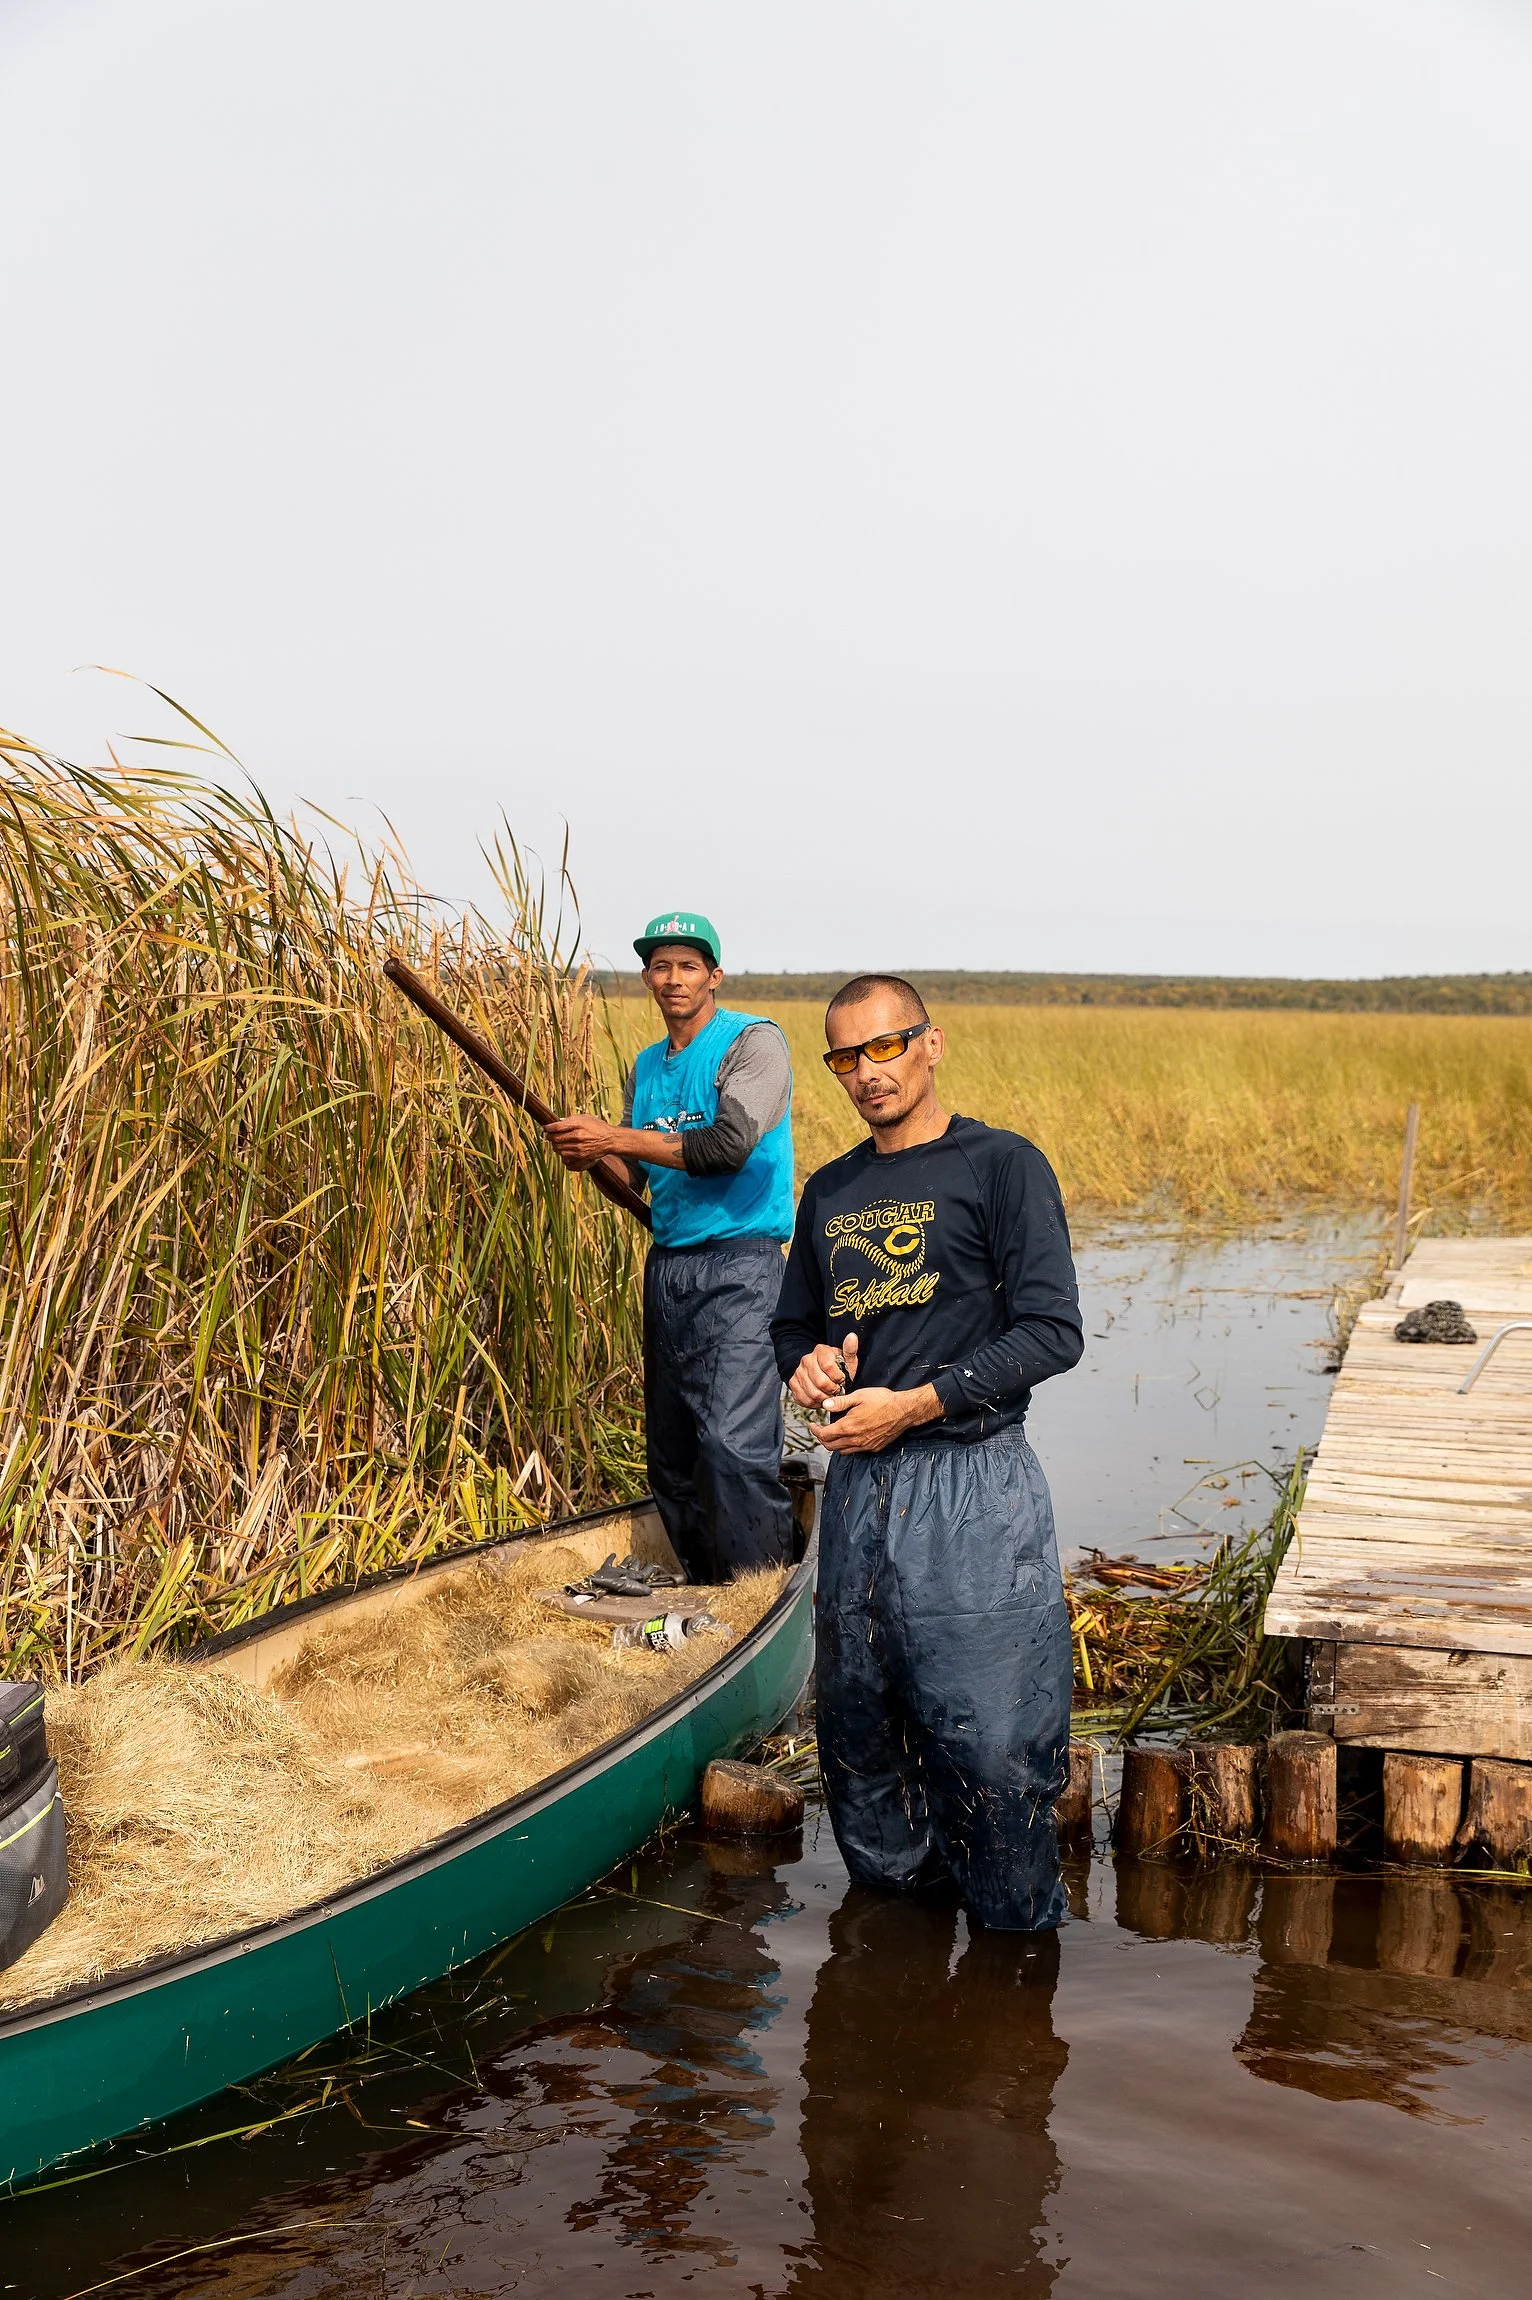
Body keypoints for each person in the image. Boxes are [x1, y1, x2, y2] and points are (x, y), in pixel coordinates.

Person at [770, 973, 1083, 1930]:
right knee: (860, 1732)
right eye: (845, 1058)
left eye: (887, 1046)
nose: (868, 1073)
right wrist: (811, 1367)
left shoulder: (1001, 1166)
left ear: (931, 1043)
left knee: (990, 1741)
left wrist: (916, 1405)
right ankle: (892, 1965)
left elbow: (1051, 1333)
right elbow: (792, 1329)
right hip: (861, 1489)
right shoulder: (831, 1189)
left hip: (972, 1485)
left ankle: (1014, 1966)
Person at [544, 911, 796, 1583]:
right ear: (648, 979)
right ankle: (708, 1585)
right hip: (671, 1267)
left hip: (742, 1264)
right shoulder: (648, 1065)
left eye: (688, 965)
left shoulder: (753, 1042)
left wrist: (614, 1138)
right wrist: (588, 1154)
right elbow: (635, 1181)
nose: (673, 978)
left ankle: (762, 1590)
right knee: (676, 1455)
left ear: (714, 976)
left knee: (730, 1446)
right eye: (660, 966)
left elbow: (725, 1147)